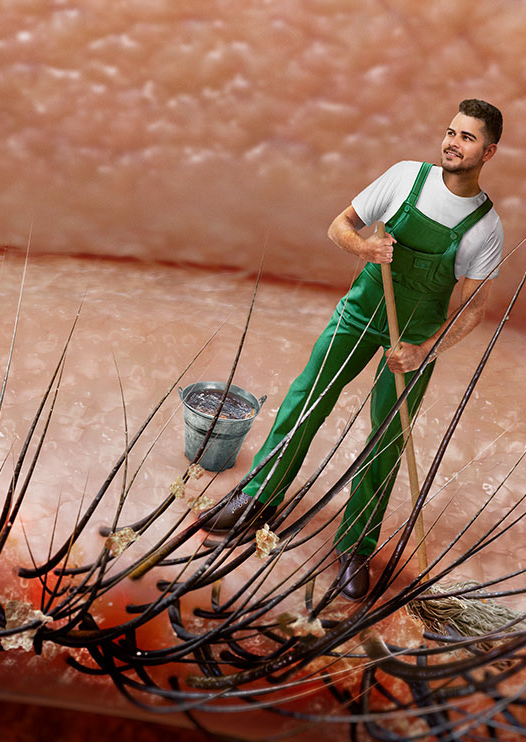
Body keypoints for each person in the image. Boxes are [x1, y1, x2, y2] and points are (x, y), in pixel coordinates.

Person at [203, 100, 505, 601]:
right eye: (451, 132)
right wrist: (365, 248)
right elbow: (339, 226)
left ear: (488, 152)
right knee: (306, 398)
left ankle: (356, 545)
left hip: (413, 337)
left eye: (467, 138)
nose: (453, 143)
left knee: (387, 438)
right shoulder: (406, 178)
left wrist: (425, 351)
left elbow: (474, 309)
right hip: (361, 313)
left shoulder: (485, 226)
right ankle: (259, 498)